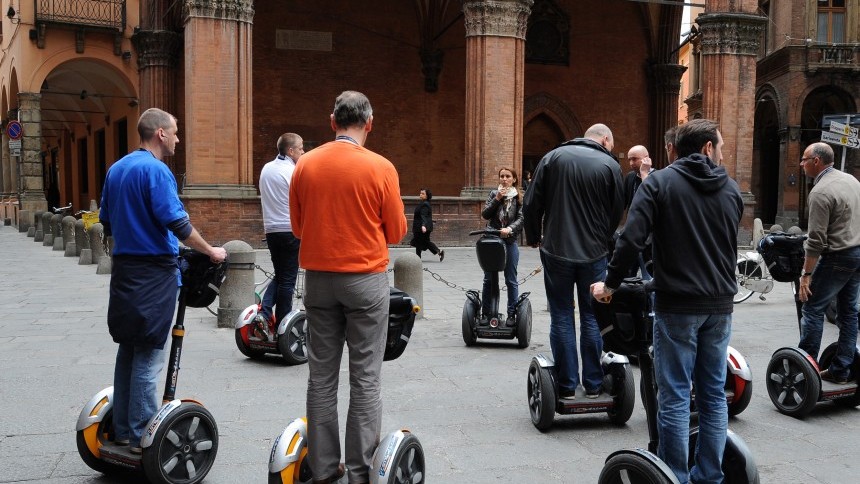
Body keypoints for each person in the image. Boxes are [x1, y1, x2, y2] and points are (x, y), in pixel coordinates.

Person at [592, 118, 743, 484]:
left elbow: (630, 240)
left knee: (674, 395)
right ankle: (709, 475)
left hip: (677, 304)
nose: (722, 154)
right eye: (720, 147)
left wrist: (609, 285)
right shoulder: (732, 190)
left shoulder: (658, 184)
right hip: (720, 304)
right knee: (711, 395)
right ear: (707, 148)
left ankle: (674, 475)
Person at [289, 90, 407, 484]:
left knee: (320, 377)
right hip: (365, 279)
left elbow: (297, 228)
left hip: (319, 280)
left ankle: (324, 469)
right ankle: (359, 472)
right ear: (369, 123)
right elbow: (397, 230)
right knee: (365, 377)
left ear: (332, 120)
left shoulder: (305, 164)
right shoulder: (381, 167)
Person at [99, 108, 227, 454]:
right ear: (159, 134)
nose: (177, 138)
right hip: (154, 271)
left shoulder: (117, 168)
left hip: (124, 269)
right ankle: (143, 432)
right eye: (175, 132)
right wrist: (211, 251)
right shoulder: (156, 171)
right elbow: (178, 223)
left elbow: (106, 221)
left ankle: (124, 429)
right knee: (150, 352)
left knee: (128, 347)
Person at [523, 123, 624, 400]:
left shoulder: (552, 158)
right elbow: (618, 209)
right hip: (594, 253)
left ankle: (567, 386)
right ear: (605, 139)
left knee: (562, 315)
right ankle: (593, 384)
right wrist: (604, 238)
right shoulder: (609, 164)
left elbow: (531, 203)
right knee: (592, 316)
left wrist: (534, 236)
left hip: (556, 249)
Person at [797, 142, 860, 384]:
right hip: (857, 254)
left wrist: (806, 274)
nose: (801, 164)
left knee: (812, 309)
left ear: (816, 161)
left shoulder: (821, 192)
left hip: (839, 256)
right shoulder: (852, 180)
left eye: (804, 159)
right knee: (849, 313)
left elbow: (816, 240)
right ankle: (841, 369)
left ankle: (806, 369)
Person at [258, 132, 304, 335]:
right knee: (288, 279)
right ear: (290, 150)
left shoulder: (267, 168)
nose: (304, 152)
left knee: (280, 274)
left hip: (271, 230)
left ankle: (265, 312)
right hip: (290, 230)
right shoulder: (293, 172)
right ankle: (281, 326)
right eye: (301, 148)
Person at [481, 167, 524, 326]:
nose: (504, 179)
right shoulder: (494, 194)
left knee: (511, 280)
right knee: (488, 279)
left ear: (514, 179)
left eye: (508, 176)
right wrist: (497, 198)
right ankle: (486, 313)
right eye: (502, 176)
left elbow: (521, 218)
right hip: (492, 241)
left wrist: (510, 229)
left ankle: (512, 315)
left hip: (510, 241)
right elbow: (485, 214)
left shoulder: (519, 197)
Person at [410, 188, 444, 261]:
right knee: (424, 242)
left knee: (418, 242)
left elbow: (424, 215)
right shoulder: (423, 203)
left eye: (423, 194)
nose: (421, 194)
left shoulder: (425, 204)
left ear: (427, 196)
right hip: (422, 226)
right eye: (420, 193)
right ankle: (439, 252)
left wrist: (423, 225)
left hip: (421, 227)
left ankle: (417, 258)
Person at [623, 145, 653, 210]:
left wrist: (644, 173)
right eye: (629, 160)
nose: (631, 163)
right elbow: (623, 202)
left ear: (646, 158)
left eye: (634, 159)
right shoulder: (630, 176)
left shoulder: (657, 176)